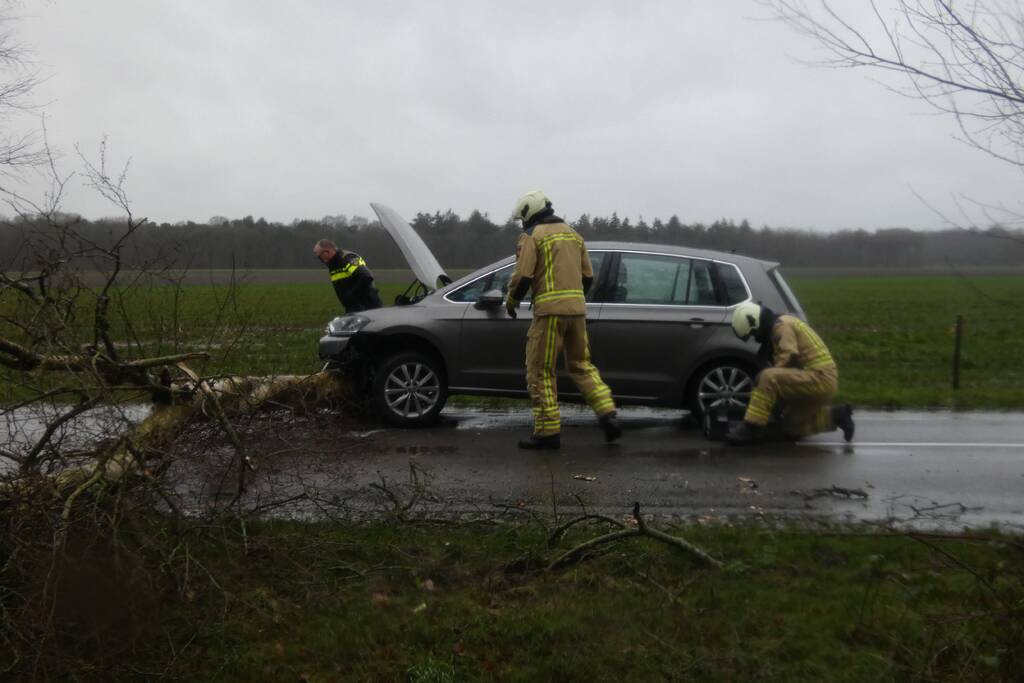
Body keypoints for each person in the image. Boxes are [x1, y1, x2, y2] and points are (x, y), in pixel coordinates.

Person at [505, 190, 621, 450]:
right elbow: (588, 277)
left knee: (540, 371)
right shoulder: (573, 234)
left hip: (548, 315)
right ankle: (608, 413)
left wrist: (511, 302)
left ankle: (547, 433)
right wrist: (573, 300)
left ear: (529, 213)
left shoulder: (533, 236)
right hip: (577, 312)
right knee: (581, 364)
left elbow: (523, 276)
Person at [726, 301, 855, 445]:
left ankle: (751, 428)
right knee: (791, 426)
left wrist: (767, 386)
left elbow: (788, 356)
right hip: (819, 379)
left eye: (753, 333)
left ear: (755, 322)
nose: (755, 338)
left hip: (819, 378)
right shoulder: (781, 323)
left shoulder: (782, 326)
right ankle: (838, 416)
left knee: (767, 377)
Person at [313, 239, 382, 313]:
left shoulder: (348, 258)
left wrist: (351, 294)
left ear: (327, 252)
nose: (320, 260)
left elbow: (366, 277)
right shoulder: (333, 265)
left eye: (319, 257)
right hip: (352, 308)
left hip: (367, 307)